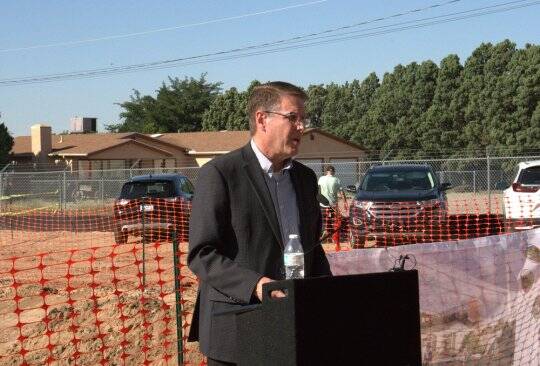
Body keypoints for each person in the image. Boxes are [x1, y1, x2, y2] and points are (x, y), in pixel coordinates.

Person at [187, 81, 332, 365]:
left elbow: (313, 249)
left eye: (304, 119)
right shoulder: (220, 174)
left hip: (294, 327)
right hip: (237, 329)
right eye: (293, 118)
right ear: (262, 119)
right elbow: (202, 255)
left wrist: (328, 297)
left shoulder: (304, 179)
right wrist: (257, 285)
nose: (302, 127)